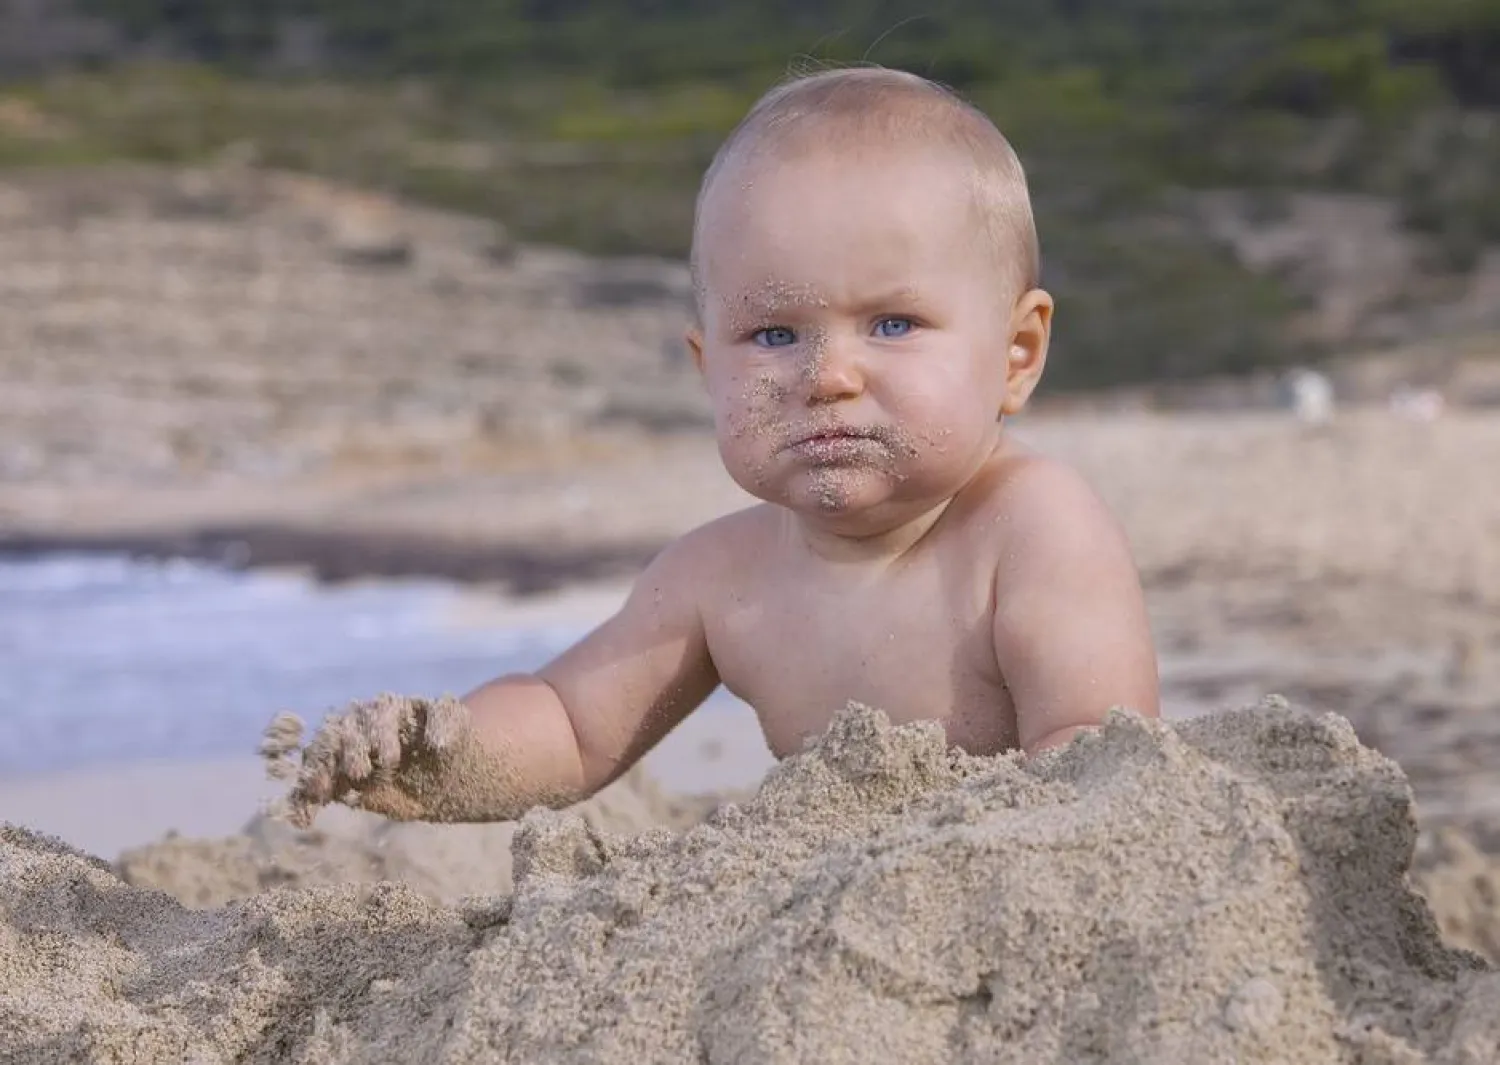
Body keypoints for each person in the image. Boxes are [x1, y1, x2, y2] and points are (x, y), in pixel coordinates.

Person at [274, 66, 1161, 827]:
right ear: (706, 365)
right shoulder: (719, 576)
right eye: (773, 334)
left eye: (893, 324)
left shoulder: (1033, 530)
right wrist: (428, 757)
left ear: (1017, 354)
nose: (829, 375)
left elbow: (1101, 749)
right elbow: (571, 725)